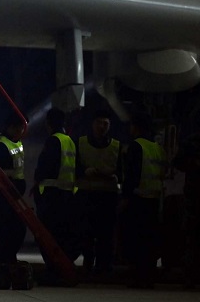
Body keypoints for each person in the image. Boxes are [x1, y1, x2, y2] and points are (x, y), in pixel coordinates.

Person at [119, 111, 166, 289]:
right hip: (154, 200)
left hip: (138, 199)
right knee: (150, 241)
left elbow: (132, 175)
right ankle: (149, 276)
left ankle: (138, 277)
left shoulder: (136, 146)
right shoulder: (157, 148)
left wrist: (125, 198)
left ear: (135, 127)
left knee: (136, 240)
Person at [33, 107, 79, 283]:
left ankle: (53, 271)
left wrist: (38, 184)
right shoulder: (70, 141)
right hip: (67, 195)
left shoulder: (53, 141)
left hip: (52, 196)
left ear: (48, 124)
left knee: (48, 235)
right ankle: (60, 269)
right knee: (62, 235)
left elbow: (45, 168)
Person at [75, 108, 121, 277]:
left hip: (108, 196)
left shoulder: (116, 145)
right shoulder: (80, 143)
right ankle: (89, 263)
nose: (102, 126)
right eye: (99, 123)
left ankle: (103, 267)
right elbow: (74, 166)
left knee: (106, 235)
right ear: (92, 124)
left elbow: (121, 171)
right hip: (87, 195)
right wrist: (84, 172)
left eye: (106, 123)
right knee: (87, 233)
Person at [0, 113, 27, 270]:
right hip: (5, 192)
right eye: (18, 128)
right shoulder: (1, 145)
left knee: (13, 226)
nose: (21, 131)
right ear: (10, 127)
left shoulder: (15, 142)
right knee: (8, 225)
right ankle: (4, 257)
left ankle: (5, 256)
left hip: (14, 192)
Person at [173, 119, 200, 289]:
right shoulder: (192, 143)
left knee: (193, 240)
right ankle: (191, 278)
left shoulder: (192, 142)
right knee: (193, 240)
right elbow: (179, 162)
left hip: (195, 196)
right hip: (195, 197)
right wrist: (195, 164)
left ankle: (191, 278)